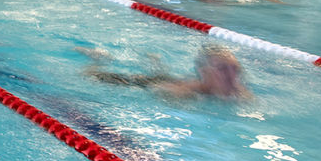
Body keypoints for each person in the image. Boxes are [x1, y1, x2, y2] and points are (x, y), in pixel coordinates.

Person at [84, 44, 252, 101]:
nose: (232, 75)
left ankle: (154, 61)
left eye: (235, 68)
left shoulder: (240, 93)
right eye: (222, 69)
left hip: (174, 79)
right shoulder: (185, 94)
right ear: (203, 72)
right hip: (150, 83)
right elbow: (159, 91)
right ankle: (98, 59)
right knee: (90, 76)